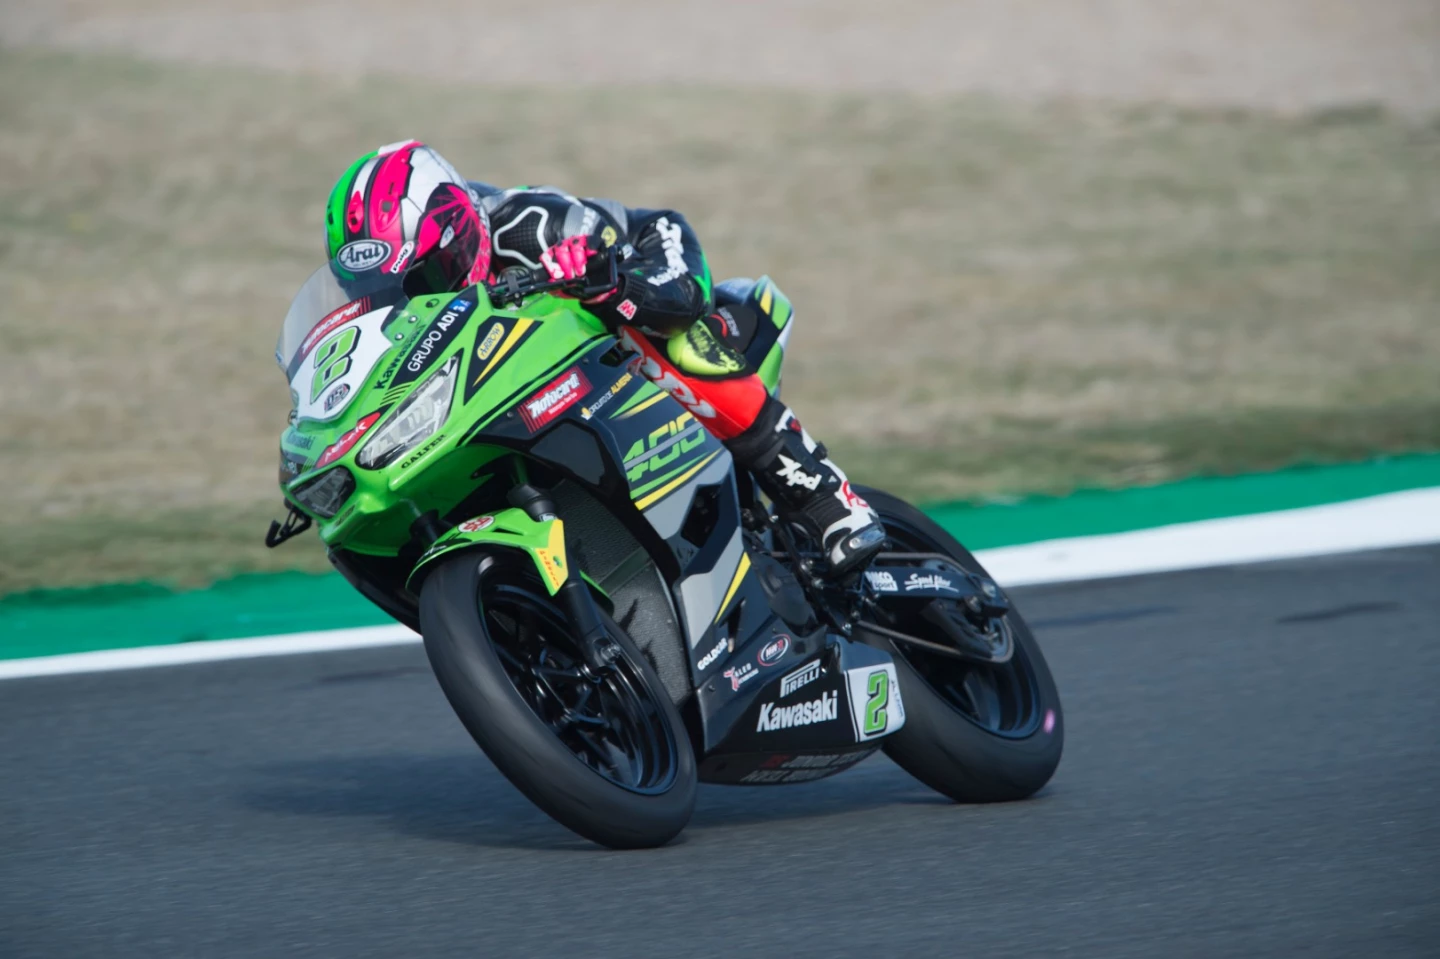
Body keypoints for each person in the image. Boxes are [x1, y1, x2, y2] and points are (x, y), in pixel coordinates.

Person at [323, 140, 885, 573]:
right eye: (379, 292)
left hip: (656, 265)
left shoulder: (527, 225)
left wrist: (603, 277)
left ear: (456, 234)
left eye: (419, 279)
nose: (411, 299)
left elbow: (669, 286)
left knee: (664, 337)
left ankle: (824, 496)